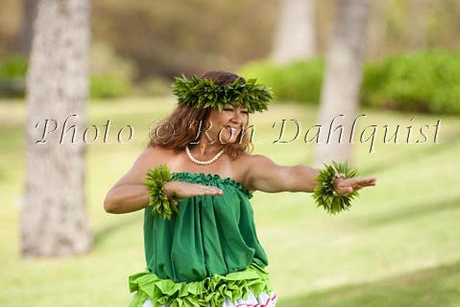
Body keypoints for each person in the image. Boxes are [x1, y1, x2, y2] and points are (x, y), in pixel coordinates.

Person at [104, 70, 376, 307]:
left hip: (232, 295)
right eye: (229, 109)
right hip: (171, 295)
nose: (239, 119)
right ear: (201, 110)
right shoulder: (162, 157)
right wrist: (167, 188)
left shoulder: (242, 166)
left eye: (244, 111)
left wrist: (331, 182)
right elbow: (113, 201)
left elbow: (290, 175)